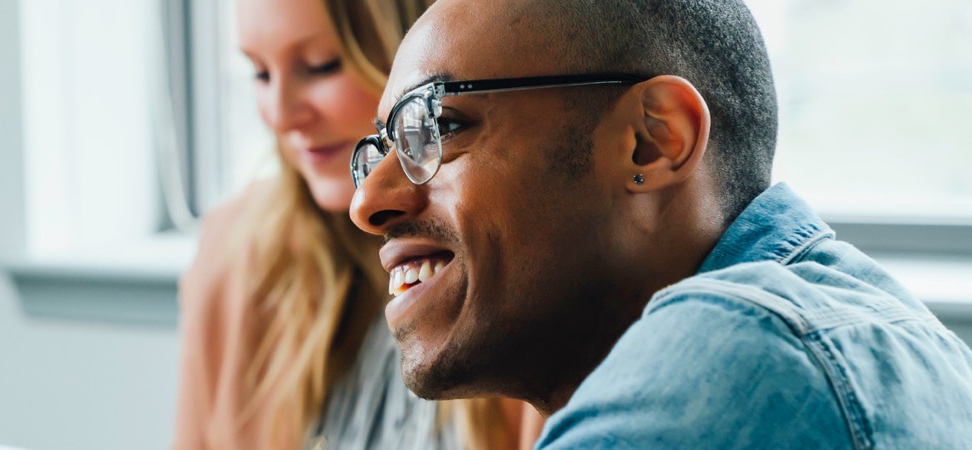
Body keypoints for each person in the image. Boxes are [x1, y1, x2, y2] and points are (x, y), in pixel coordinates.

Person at [347, 0, 972, 447]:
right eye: (381, 148)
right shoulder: (850, 328)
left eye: (437, 128)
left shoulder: (736, 360)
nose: (367, 202)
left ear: (652, 141)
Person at [172, 0, 544, 448]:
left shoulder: (529, 257)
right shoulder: (233, 254)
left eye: (319, 66)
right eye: (260, 73)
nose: (281, 114)